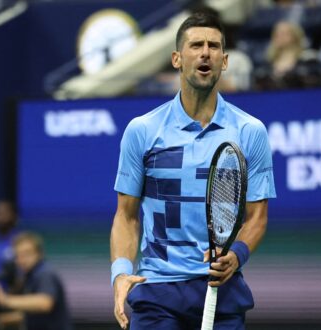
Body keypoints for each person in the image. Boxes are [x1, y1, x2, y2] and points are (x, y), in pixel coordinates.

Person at [110, 12, 276, 330]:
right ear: (176, 58)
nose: (205, 53)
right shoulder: (141, 130)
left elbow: (257, 217)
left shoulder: (250, 131)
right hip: (156, 289)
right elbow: (126, 216)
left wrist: (237, 254)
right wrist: (120, 272)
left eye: (214, 46)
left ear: (224, 61)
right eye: (196, 45)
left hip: (220, 292)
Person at [0, 232, 72, 330]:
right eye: (18, 255)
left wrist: (4, 300)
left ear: (39, 254)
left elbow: (44, 303)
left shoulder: (45, 273)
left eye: (27, 254)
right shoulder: (30, 275)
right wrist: (7, 319)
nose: (22, 260)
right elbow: (34, 313)